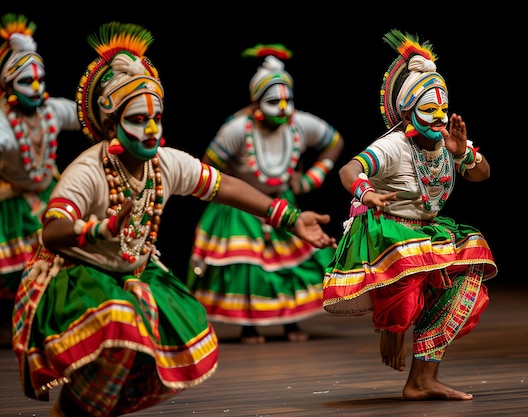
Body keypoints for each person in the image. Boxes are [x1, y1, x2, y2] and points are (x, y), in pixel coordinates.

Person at [11, 22, 336, 417]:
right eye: (137, 120)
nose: (150, 130)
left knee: (159, 345)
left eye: (157, 118)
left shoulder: (166, 164)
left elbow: (225, 186)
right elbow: (53, 230)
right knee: (120, 326)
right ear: (111, 124)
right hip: (78, 278)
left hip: (133, 273)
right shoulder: (88, 170)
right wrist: (100, 229)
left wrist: (291, 217)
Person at [323, 29, 498, 401]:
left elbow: (483, 174)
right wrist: (366, 192)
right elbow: (348, 171)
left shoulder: (447, 139)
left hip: (427, 234)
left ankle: (422, 378)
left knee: (468, 282)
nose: (438, 117)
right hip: (388, 234)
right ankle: (392, 325)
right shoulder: (393, 144)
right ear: (407, 112)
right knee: (404, 294)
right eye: (428, 109)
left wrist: (463, 152)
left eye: (442, 108)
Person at [187, 44, 344, 344]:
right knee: (250, 269)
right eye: (273, 101)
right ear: (256, 102)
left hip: (284, 202)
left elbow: (334, 141)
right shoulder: (236, 129)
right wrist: (231, 187)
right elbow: (206, 168)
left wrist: (313, 177)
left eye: (288, 100)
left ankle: (291, 323)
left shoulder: (299, 123)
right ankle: (250, 327)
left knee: (289, 266)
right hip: (242, 207)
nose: (283, 109)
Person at [0, 13, 81, 347]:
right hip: (12, 199)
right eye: (26, 82)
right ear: (7, 86)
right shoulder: (3, 119)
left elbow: (83, 113)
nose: (36, 88)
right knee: (13, 269)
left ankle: (49, 321)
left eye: (40, 80)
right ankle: (12, 324)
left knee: (56, 259)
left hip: (47, 191)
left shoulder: (51, 110)